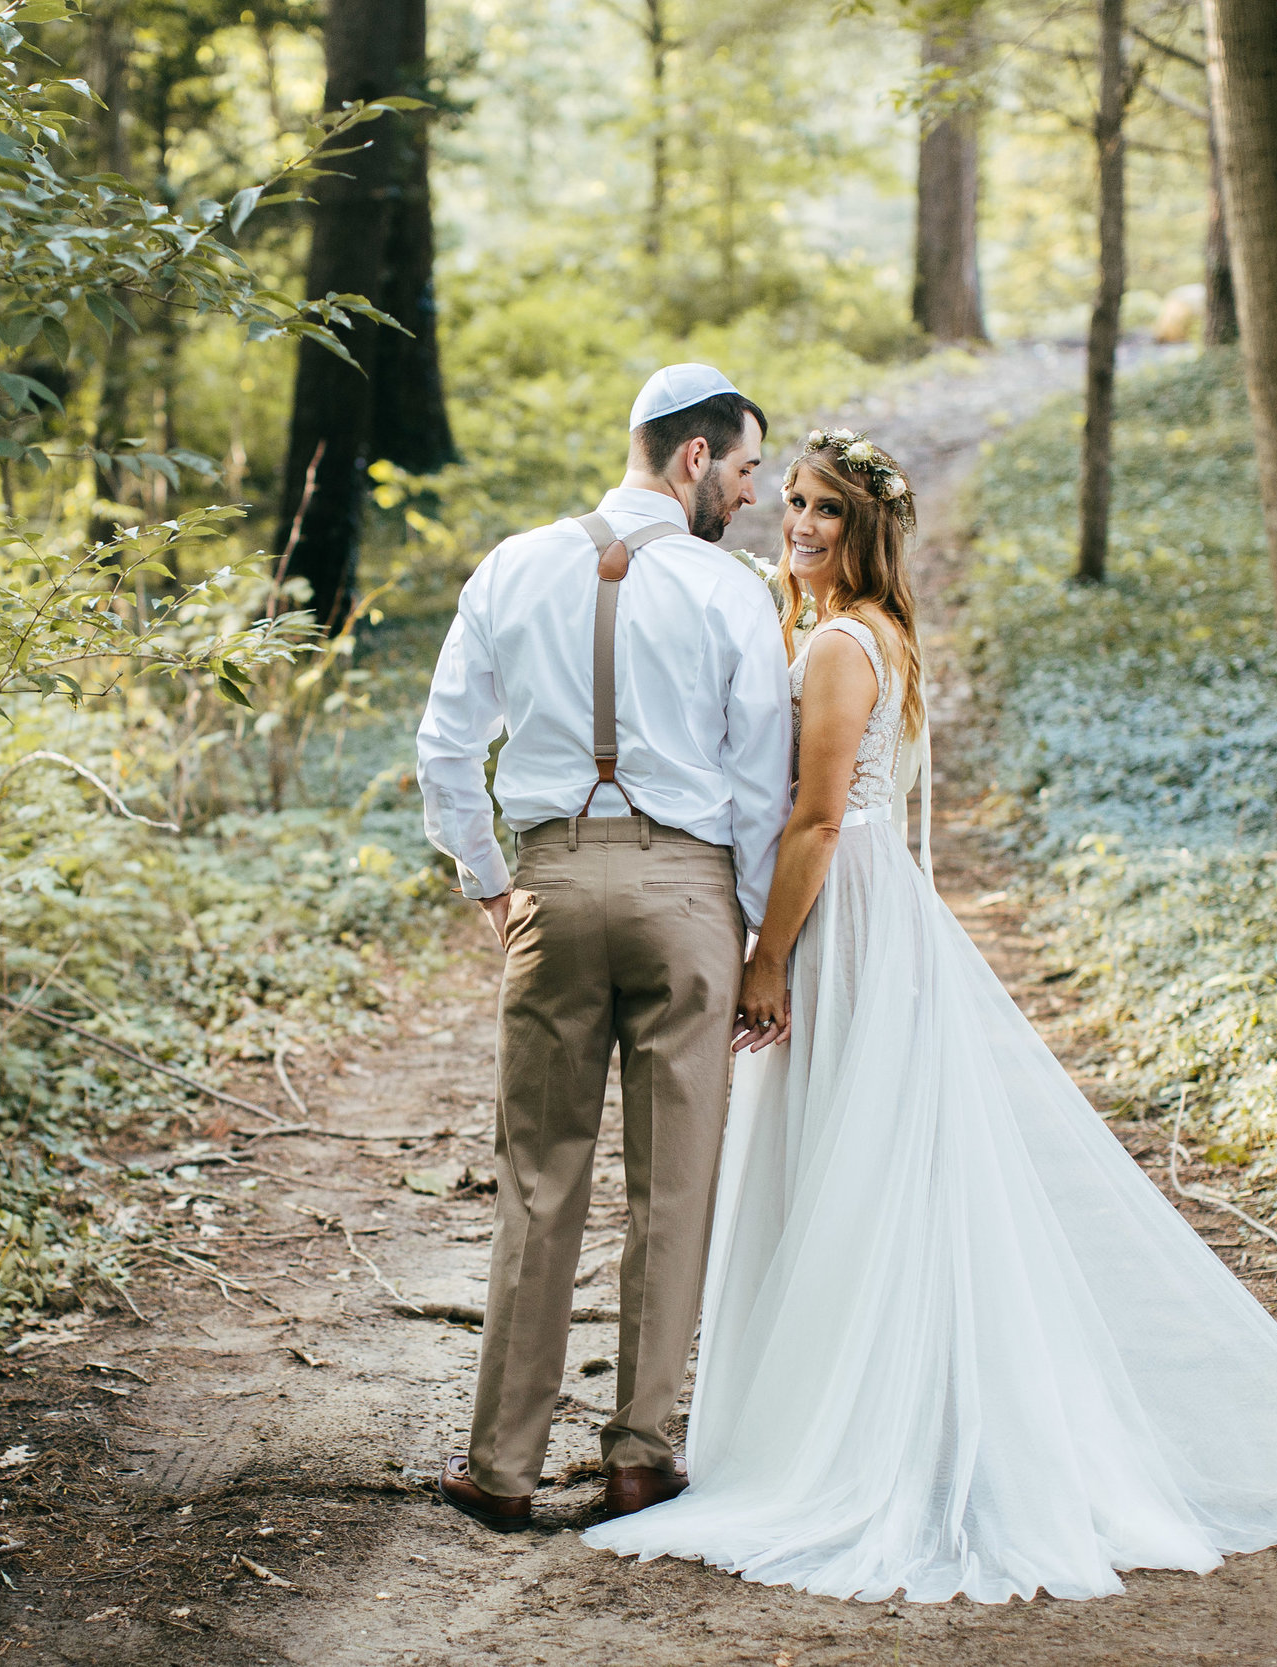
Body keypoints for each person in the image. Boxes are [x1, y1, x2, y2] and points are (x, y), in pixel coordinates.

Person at [582, 428, 1277, 1602]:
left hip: (842, 916)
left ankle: (862, 1443)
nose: (798, 525)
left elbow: (813, 820)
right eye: (792, 503)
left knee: (849, 1165)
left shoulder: (848, 645)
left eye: (825, 512)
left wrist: (766, 958)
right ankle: (873, 1412)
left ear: (869, 530)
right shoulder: (850, 630)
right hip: (872, 909)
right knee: (857, 1165)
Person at [414, 365, 793, 1530]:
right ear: (690, 458)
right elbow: (759, 788)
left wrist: (493, 887)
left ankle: (501, 1467)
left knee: (539, 1176)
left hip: (552, 886)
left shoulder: (512, 564)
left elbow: (441, 752)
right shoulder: (731, 592)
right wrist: (757, 936)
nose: (749, 496)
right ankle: (639, 1453)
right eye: (740, 470)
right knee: (674, 1183)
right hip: (688, 896)